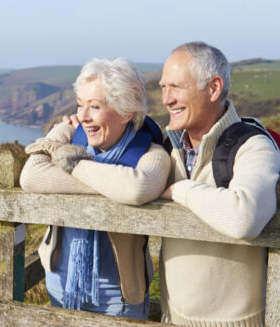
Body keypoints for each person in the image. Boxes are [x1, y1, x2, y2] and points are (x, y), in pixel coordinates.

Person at [20, 58, 170, 319]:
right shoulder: (73, 137)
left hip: (119, 297)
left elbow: (136, 188)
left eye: (95, 106)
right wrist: (62, 129)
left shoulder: (152, 154)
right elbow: (31, 177)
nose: (83, 116)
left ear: (127, 111)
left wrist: (71, 164)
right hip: (61, 284)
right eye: (80, 105)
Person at [158, 41, 280, 326]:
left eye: (176, 87)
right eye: (163, 87)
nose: (166, 99)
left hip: (234, 322)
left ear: (214, 88)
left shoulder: (253, 146)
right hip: (171, 316)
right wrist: (71, 132)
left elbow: (245, 217)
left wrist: (180, 190)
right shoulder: (168, 145)